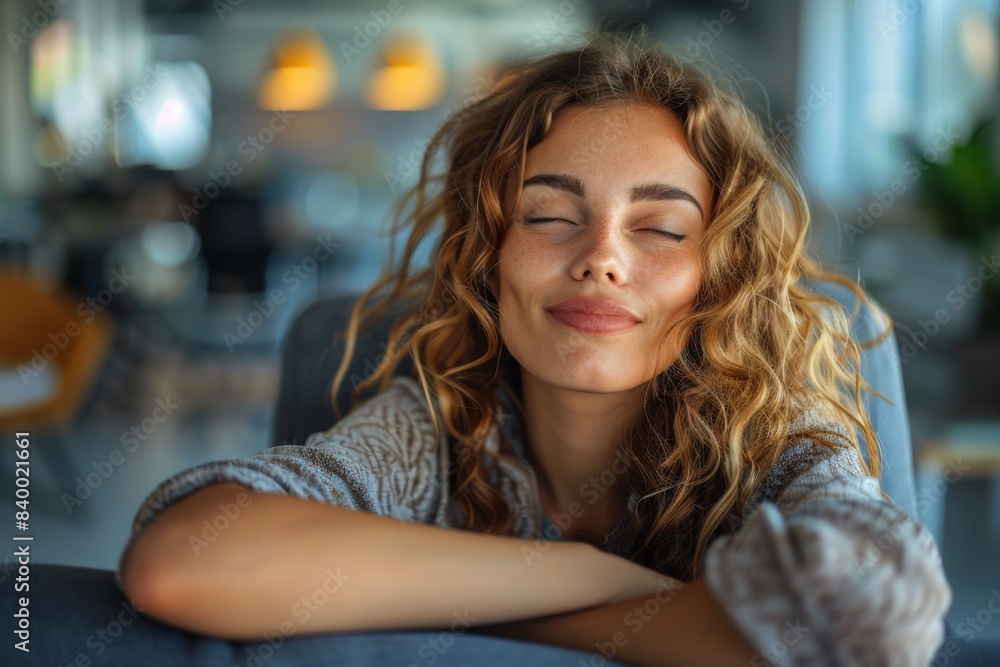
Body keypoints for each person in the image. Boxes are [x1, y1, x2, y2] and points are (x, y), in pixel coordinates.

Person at [117, 33, 952, 666]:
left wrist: (467, 600)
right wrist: (617, 587)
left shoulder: (776, 429)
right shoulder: (437, 426)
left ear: (718, 280)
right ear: (488, 258)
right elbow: (181, 560)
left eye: (660, 227)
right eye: (550, 215)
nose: (602, 256)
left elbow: (874, 621)